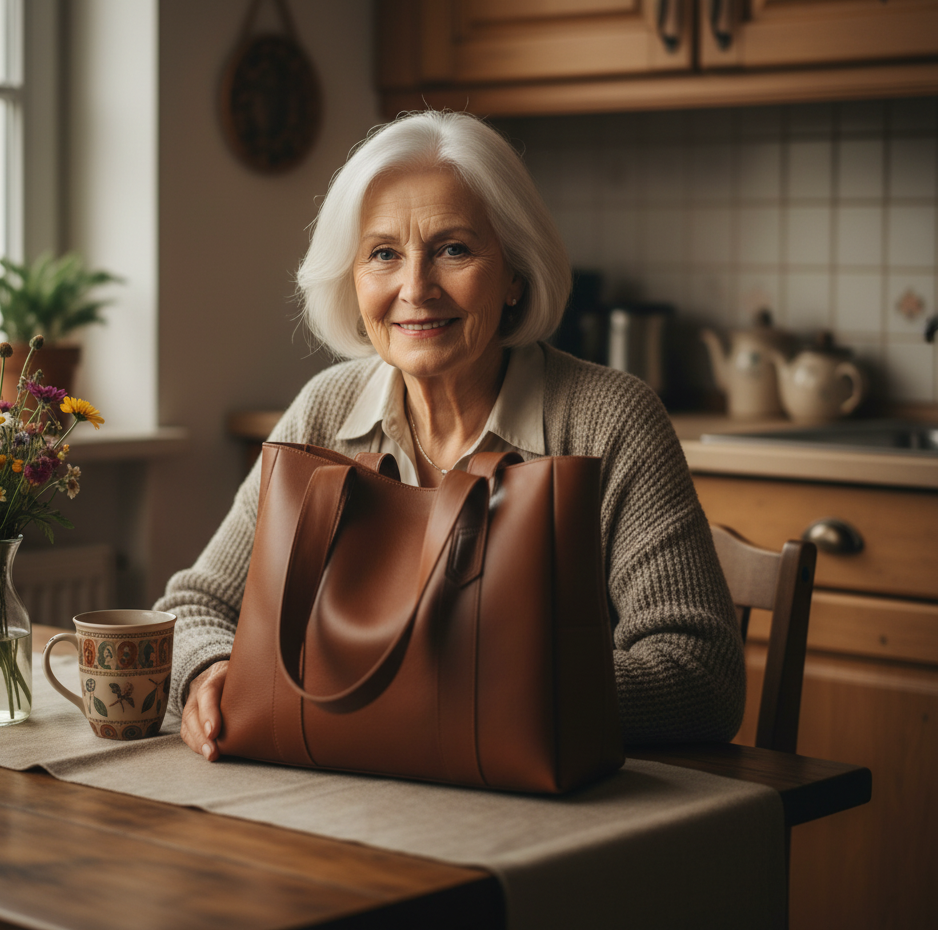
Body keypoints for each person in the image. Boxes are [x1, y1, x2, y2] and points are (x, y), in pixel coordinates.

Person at [155, 111, 746, 762]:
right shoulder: (325, 409)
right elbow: (194, 605)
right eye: (384, 254)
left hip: (538, 806)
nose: (416, 288)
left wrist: (476, 696)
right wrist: (209, 670)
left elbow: (702, 674)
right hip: (345, 791)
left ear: (515, 272)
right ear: (354, 278)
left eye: (453, 249)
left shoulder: (610, 421)